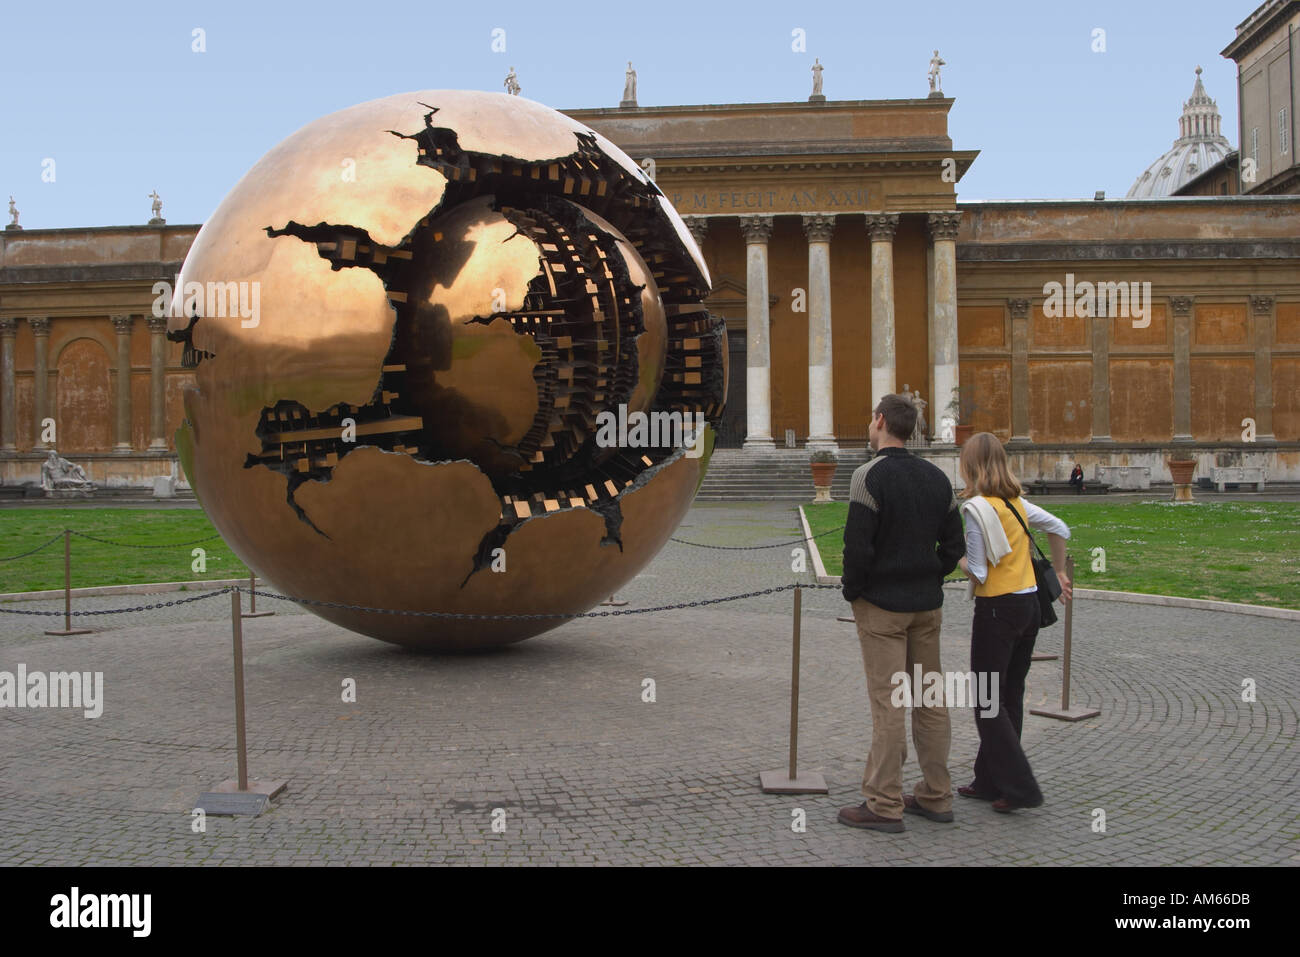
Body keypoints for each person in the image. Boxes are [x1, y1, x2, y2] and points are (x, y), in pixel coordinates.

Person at [839, 394, 966, 833]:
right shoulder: (938, 478)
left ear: (879, 421)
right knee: (930, 701)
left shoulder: (867, 477)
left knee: (890, 704)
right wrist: (931, 574)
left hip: (882, 608)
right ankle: (935, 794)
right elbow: (955, 546)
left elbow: (857, 549)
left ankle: (884, 802)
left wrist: (854, 592)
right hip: (926, 606)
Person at [956, 433, 1072, 812]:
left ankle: (1020, 786)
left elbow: (978, 572)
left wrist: (952, 561)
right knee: (1010, 696)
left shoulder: (975, 509)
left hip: (996, 611)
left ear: (969, 466)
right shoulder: (1016, 502)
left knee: (988, 702)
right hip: (1028, 609)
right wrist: (1058, 569)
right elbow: (1060, 528)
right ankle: (991, 781)